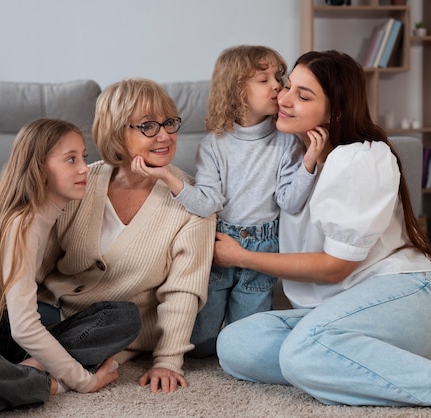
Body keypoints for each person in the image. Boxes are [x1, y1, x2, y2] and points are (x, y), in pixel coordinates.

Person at [214, 50, 431, 407]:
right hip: (332, 312)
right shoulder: (296, 158)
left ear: (336, 111)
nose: (284, 98)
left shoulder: (359, 157)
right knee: (235, 344)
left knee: (302, 351)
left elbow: (335, 267)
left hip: (405, 296)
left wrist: (243, 258)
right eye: (288, 86)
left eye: (303, 96)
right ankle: (343, 362)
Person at [0, 118, 141, 414]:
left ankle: (11, 378)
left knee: (124, 316)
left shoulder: (54, 209)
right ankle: (41, 383)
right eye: (71, 159)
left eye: (83, 156)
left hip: (11, 343)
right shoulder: (23, 223)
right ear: (39, 167)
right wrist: (82, 381)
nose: (84, 167)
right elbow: (24, 328)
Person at [132, 45, 323, 358]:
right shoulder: (214, 145)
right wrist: (167, 177)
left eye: (278, 77)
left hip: (262, 249)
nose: (278, 85)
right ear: (237, 91)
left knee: (245, 339)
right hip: (218, 244)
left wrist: (309, 161)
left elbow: (290, 202)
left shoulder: (287, 142)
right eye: (264, 80)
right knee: (201, 343)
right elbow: (207, 202)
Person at [37, 78, 216, 393]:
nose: (164, 135)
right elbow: (41, 256)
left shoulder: (194, 204)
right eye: (148, 126)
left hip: (110, 328)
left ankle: (32, 368)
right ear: (117, 132)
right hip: (53, 310)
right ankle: (24, 370)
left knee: (121, 317)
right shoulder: (84, 180)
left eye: (169, 123)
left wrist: (167, 361)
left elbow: (183, 290)